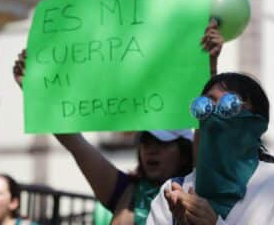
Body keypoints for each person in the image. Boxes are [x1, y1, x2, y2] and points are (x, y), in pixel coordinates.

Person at [12, 21, 224, 225]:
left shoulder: (196, 188)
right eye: (145, 142)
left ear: (184, 150)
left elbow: (207, 130)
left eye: (162, 143)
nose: (150, 150)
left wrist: (209, 67)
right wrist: (36, 91)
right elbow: (76, 144)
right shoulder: (126, 190)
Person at [146, 73, 274, 225]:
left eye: (229, 106)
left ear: (256, 123)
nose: (214, 117)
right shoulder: (174, 191)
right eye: (204, 106)